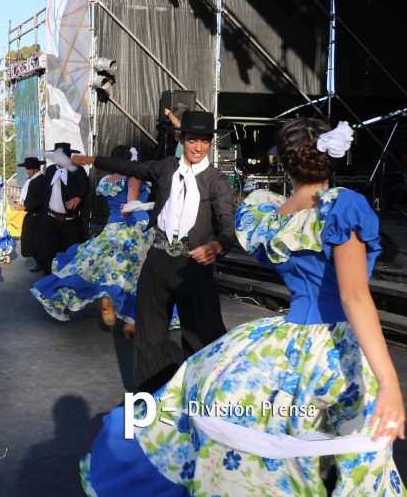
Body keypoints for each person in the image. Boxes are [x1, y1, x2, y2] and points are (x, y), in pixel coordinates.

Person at [80, 117, 406, 496]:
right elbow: (353, 296)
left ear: (283, 164)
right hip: (335, 348)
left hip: (285, 344)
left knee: (280, 445)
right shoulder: (342, 208)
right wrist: (389, 382)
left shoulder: (273, 217)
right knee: (354, 452)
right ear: (334, 158)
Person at [71, 111, 235, 393]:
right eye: (193, 140)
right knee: (150, 334)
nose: (198, 147)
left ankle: (203, 396)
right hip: (158, 260)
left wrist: (219, 244)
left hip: (194, 266)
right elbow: (131, 169)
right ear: (182, 139)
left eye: (204, 141)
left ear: (210, 143)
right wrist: (94, 160)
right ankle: (153, 395)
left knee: (203, 337)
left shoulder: (216, 180)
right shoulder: (166, 167)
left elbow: (228, 223)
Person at [32, 145, 152, 337]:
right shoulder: (134, 176)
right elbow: (132, 194)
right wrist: (129, 206)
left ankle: (114, 304)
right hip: (135, 229)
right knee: (137, 275)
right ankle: (133, 319)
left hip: (112, 229)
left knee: (97, 267)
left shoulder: (107, 180)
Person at [36, 142, 90, 276]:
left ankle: (67, 279)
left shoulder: (77, 170)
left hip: (69, 221)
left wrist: (77, 198)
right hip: (50, 218)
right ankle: (49, 279)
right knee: (47, 251)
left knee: (70, 251)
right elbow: (45, 191)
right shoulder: (50, 170)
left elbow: (85, 187)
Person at [14, 156, 47, 273]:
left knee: (37, 242)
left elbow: (42, 199)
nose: (26, 171)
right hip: (31, 215)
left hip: (38, 216)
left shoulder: (41, 181)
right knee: (30, 242)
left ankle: (44, 264)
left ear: (34, 168)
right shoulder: (32, 180)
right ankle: (40, 263)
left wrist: (25, 207)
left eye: (28, 168)